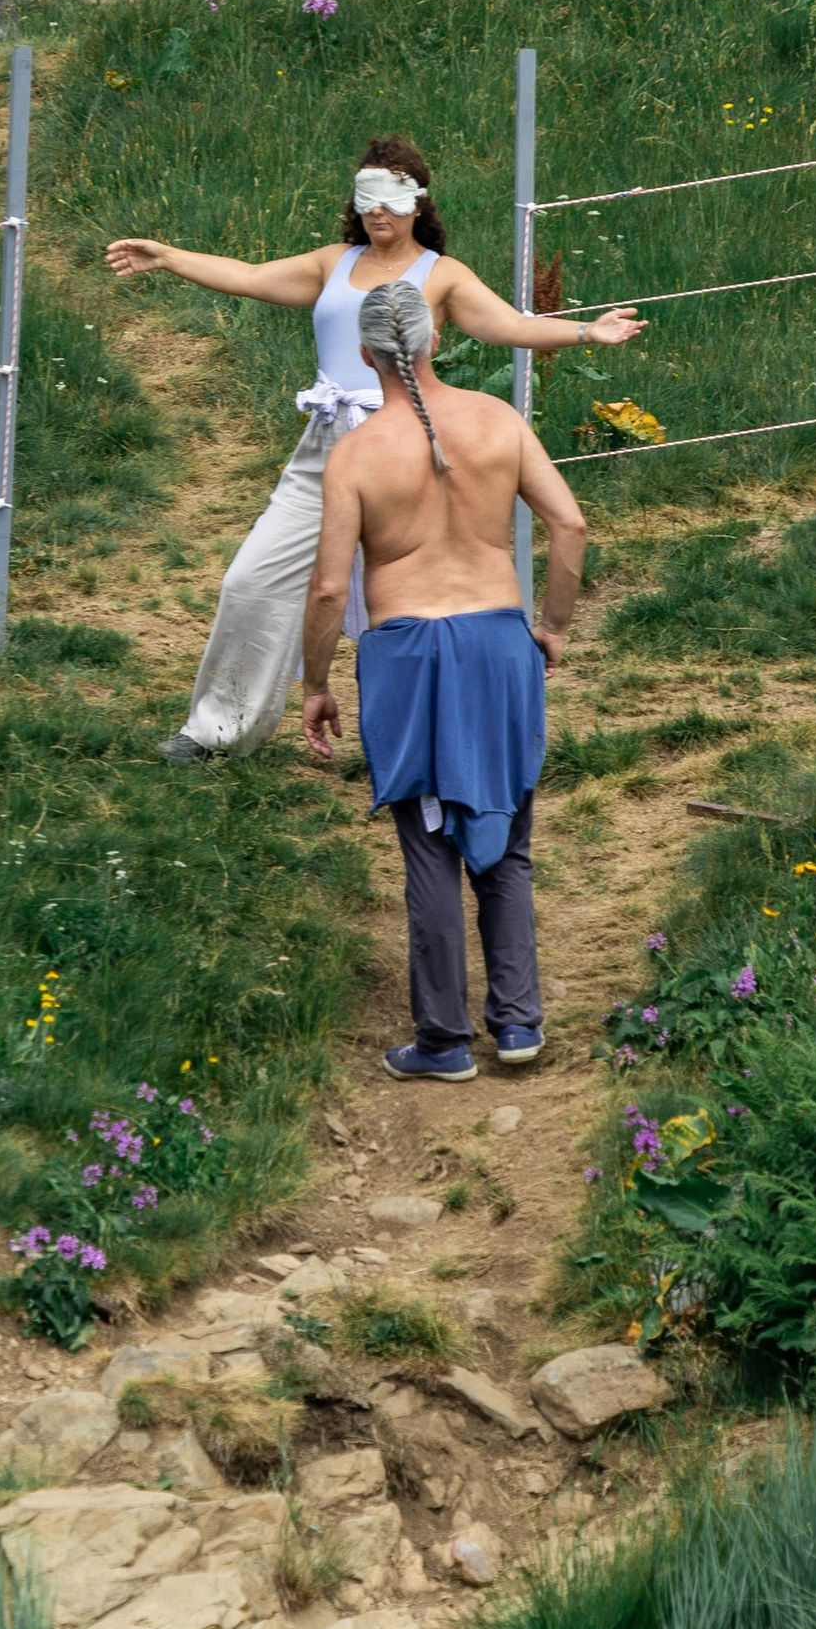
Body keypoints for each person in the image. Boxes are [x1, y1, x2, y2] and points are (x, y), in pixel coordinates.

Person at [105, 137, 639, 762]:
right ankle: (216, 731)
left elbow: (510, 325)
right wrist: (168, 256)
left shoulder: (443, 275)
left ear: (417, 203)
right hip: (325, 450)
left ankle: (433, 745)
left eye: (391, 198)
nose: (376, 211)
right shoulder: (333, 262)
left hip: (404, 452)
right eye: (366, 198)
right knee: (251, 581)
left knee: (412, 600)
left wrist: (585, 331)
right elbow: (249, 278)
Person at [300, 276, 586, 1081]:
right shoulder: (499, 421)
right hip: (501, 647)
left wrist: (313, 683)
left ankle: (443, 1041)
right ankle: (520, 1024)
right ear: (434, 341)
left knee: (430, 848)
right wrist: (552, 627)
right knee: (508, 839)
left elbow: (328, 589)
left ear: (365, 354)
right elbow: (570, 523)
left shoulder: (356, 455)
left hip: (411, 658)